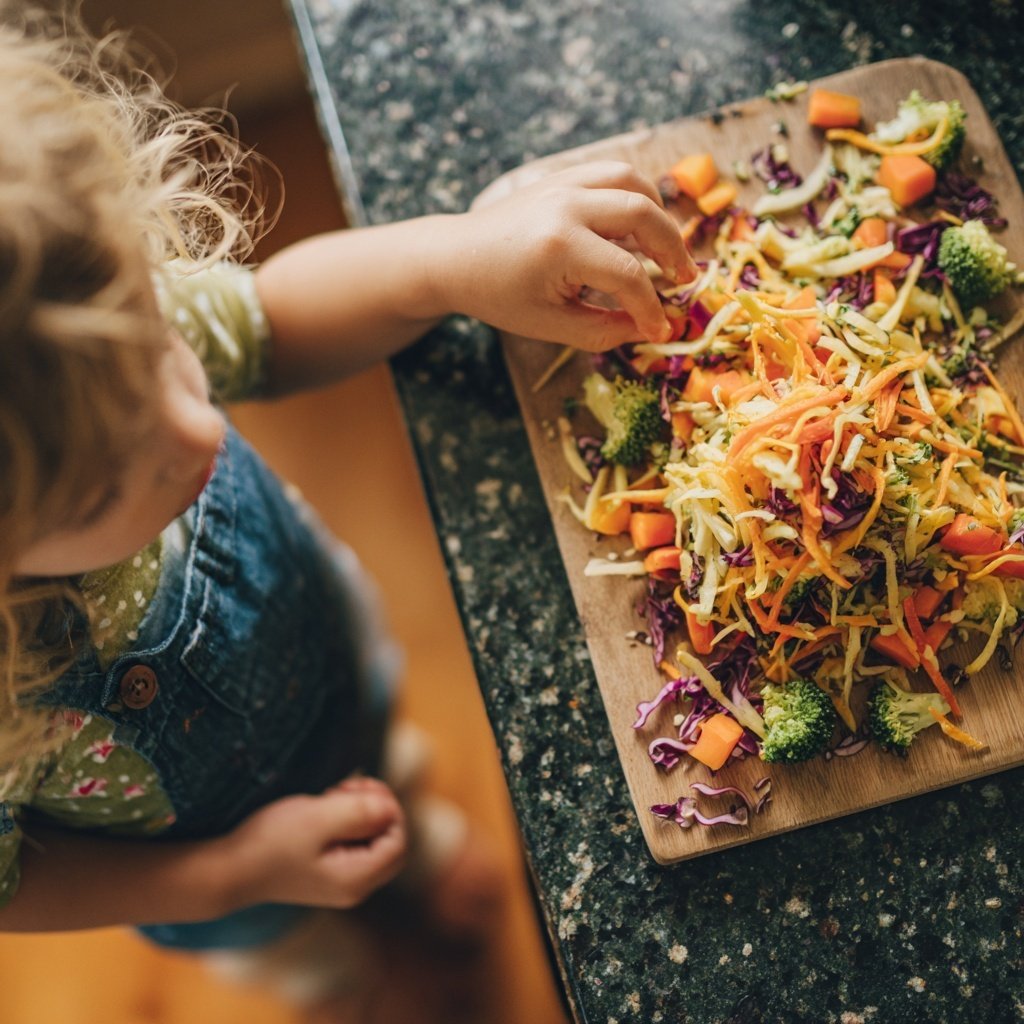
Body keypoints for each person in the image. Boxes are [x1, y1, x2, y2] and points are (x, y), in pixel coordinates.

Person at [0, 1, 696, 1017]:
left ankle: (413, 866)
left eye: (164, 346)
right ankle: (368, 975)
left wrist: (454, 260)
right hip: (229, 880)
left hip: (344, 679)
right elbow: (15, 883)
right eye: (112, 483)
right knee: (318, 964)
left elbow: (274, 319)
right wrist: (239, 874)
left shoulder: (86, 339)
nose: (197, 430)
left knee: (399, 781)